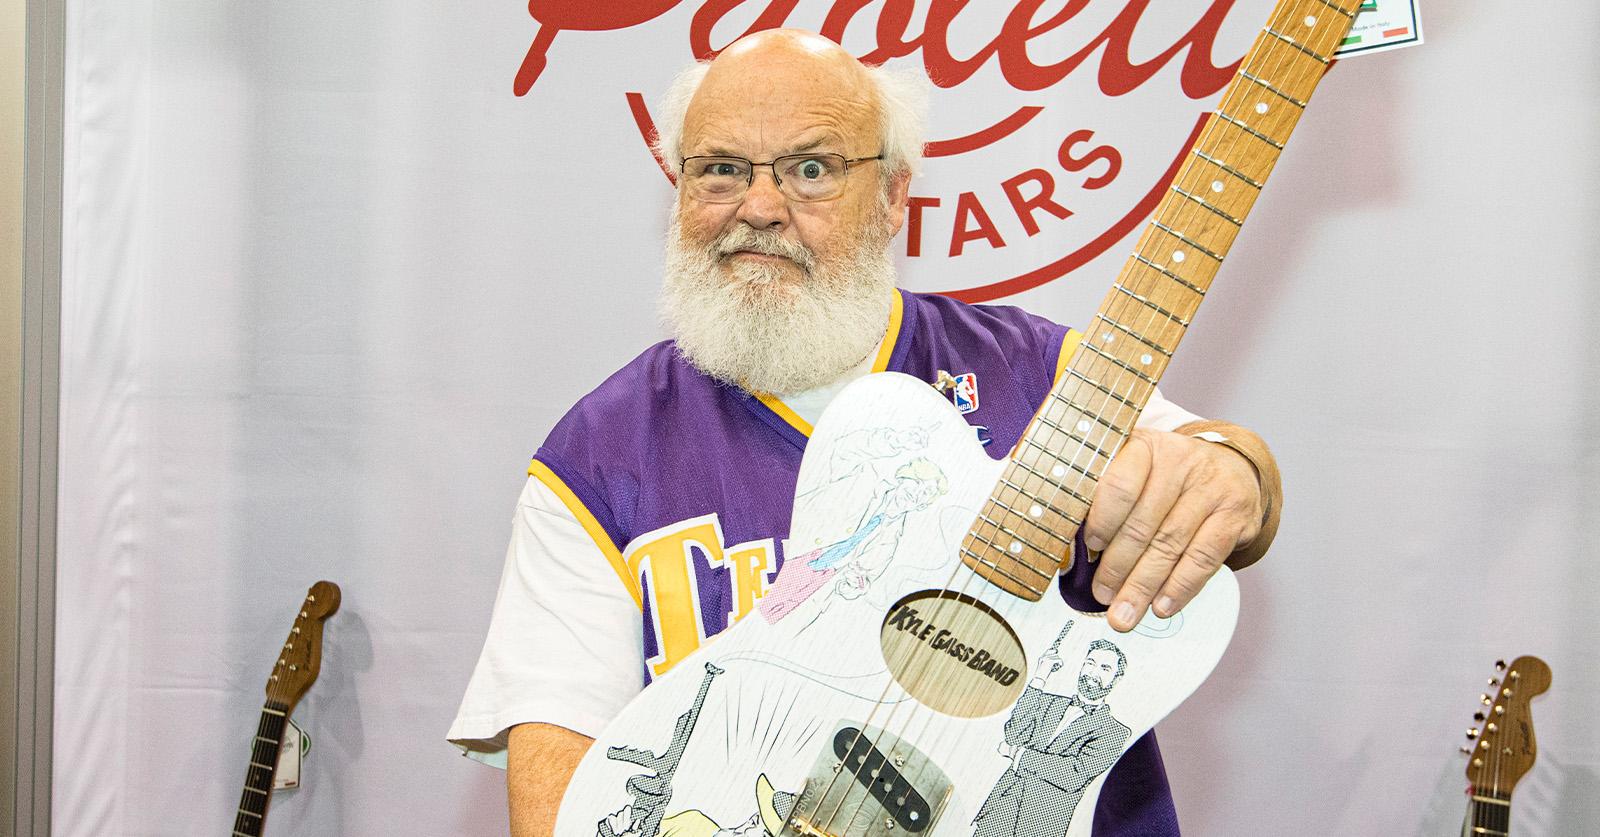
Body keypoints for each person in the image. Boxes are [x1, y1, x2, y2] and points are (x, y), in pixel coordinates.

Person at [449, 29, 1283, 837]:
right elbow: (561, 787)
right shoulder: (599, 454)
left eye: (811, 169)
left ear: (892, 196)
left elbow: (1225, 474)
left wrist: (1230, 471)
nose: (761, 206)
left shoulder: (1039, 369)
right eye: (720, 171)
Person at [973, 639, 1132, 837]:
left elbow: (1073, 774)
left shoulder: (1114, 732)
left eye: (1105, 668)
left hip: (1040, 825)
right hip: (1000, 810)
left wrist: (1016, 753)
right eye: (1090, 663)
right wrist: (1040, 676)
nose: (1093, 673)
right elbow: (1014, 734)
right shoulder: (1048, 701)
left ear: (1117, 678)